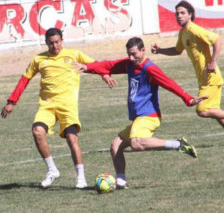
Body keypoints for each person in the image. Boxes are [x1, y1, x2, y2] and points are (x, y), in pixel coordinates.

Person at [73, 37, 207, 189]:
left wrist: (188, 99)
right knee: (115, 146)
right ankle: (121, 182)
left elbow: (169, 83)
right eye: (129, 54)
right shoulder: (130, 64)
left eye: (134, 54)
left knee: (136, 143)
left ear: (143, 50)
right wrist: (87, 67)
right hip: (139, 118)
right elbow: (109, 65)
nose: (131, 58)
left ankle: (178, 144)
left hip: (149, 116)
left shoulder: (150, 68)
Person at [1, 27, 116, 188]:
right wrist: (12, 101)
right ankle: (52, 170)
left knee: (71, 138)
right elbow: (24, 79)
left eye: (57, 42)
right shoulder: (38, 59)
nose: (54, 46)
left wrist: (104, 74)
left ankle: (81, 178)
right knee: (37, 132)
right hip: (47, 105)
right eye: (50, 43)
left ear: (62, 41)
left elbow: (94, 64)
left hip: (67, 105)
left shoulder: (74, 54)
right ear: (46, 43)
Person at [151, 0, 224, 127]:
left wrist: (212, 61)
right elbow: (177, 50)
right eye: (177, 14)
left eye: (182, 13)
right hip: (204, 79)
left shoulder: (195, 30)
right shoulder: (183, 33)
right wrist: (160, 50)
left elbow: (218, 39)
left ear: (190, 14)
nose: (179, 16)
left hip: (210, 78)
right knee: (216, 112)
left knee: (203, 110)